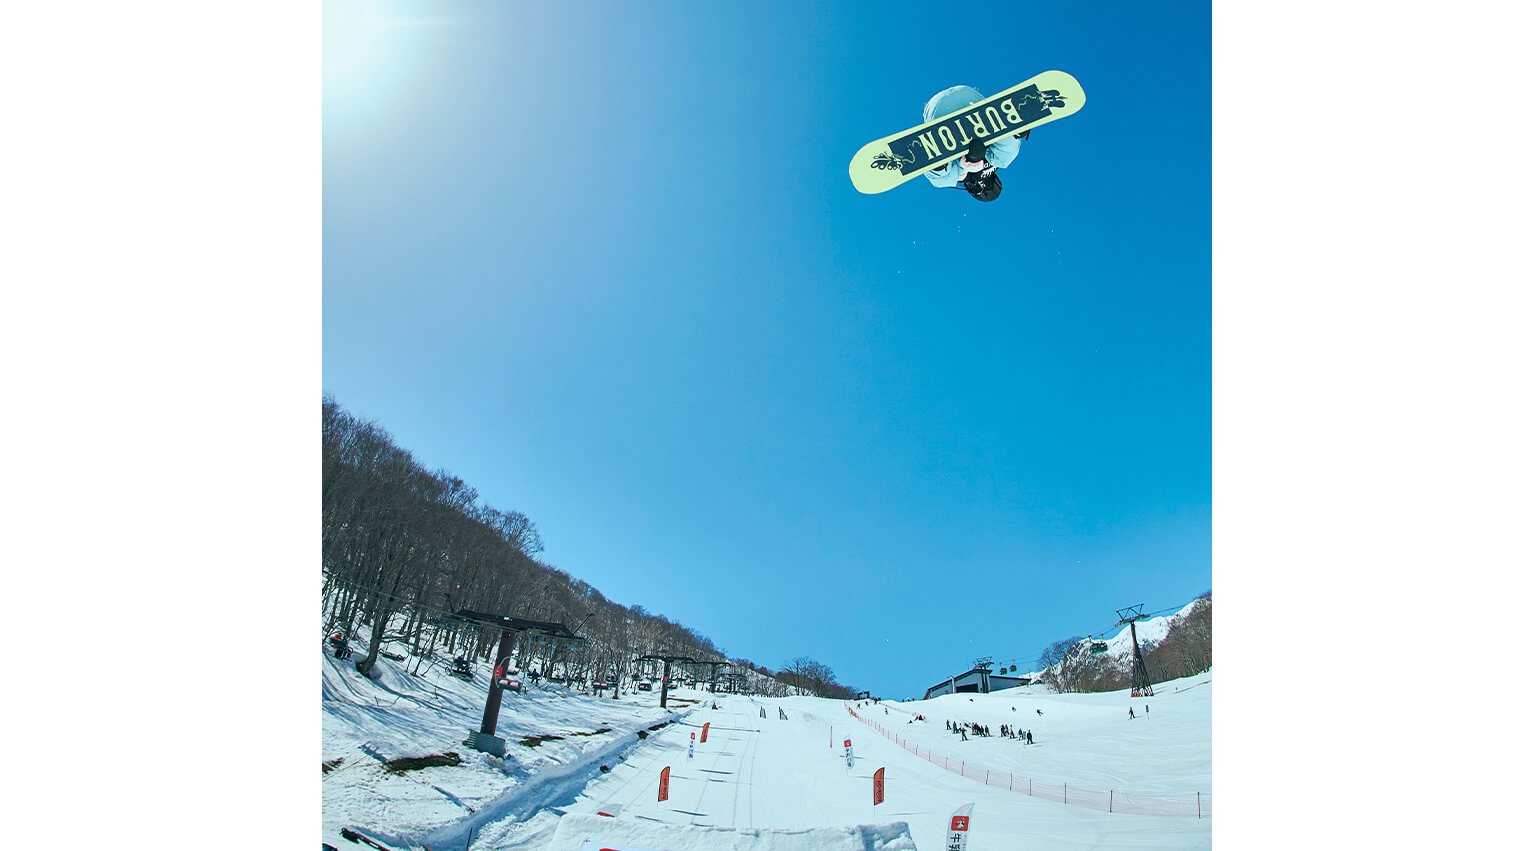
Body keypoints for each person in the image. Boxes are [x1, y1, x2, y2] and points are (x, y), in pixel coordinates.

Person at [921, 85, 1025, 203]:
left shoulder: (965, 176)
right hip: (938, 108)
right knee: (1004, 159)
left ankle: (937, 159)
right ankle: (1008, 125)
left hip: (964, 95)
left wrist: (962, 168)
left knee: (943, 180)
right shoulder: (991, 165)